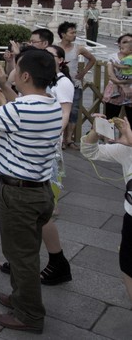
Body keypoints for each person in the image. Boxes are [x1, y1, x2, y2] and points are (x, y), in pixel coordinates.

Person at [0, 47, 63, 334]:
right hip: (40, 190)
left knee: (21, 257)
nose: (12, 72)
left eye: (16, 69)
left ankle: (29, 315)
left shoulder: (21, 110)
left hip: (19, 194)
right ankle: (21, 298)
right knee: (26, 251)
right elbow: (20, 106)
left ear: (26, 75)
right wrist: (6, 86)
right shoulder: (51, 103)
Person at [80, 112, 132, 306]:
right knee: (128, 268)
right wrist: (96, 131)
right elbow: (90, 151)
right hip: (130, 219)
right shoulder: (126, 150)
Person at [57, 21, 96, 147]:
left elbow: (92, 59)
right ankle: (60, 138)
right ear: (63, 34)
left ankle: (69, 139)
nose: (74, 35)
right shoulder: (55, 48)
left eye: (75, 32)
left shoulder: (78, 48)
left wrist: (83, 72)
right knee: (59, 110)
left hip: (74, 83)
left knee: (73, 111)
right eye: (71, 32)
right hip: (58, 84)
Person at [102, 33, 132, 125]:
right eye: (125, 42)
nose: (128, 44)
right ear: (119, 44)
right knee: (110, 118)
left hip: (131, 90)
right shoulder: (113, 57)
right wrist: (124, 87)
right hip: (115, 90)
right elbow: (111, 75)